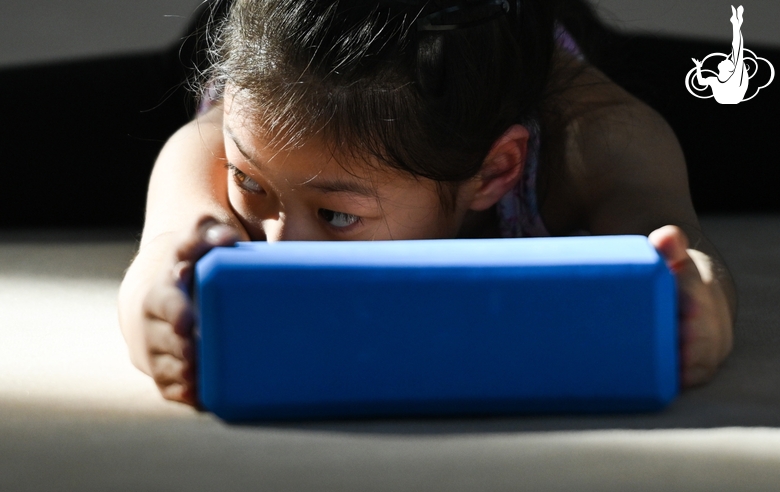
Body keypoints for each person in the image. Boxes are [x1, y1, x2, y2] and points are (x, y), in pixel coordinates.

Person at [118, 0, 736, 407]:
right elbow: (164, 250)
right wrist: (155, 299)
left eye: (336, 216)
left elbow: (679, 251)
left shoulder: (602, 142)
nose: (279, 247)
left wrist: (699, 305)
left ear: (496, 172)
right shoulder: (233, 125)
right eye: (251, 185)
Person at [692, 5, 748, 104]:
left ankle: (736, 23)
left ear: (730, 69)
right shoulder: (714, 80)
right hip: (726, 99)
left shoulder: (735, 78)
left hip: (733, 98)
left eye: (729, 61)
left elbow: (737, 48)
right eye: (729, 60)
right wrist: (698, 67)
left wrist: (736, 25)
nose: (726, 59)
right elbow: (701, 82)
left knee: (737, 50)